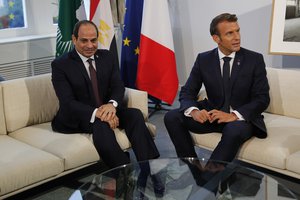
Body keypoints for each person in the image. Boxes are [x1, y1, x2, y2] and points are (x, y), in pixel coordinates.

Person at [51, 20, 159, 169]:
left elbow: (117, 85)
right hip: (78, 117)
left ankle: (151, 168)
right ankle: (124, 172)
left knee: (134, 115)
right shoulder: (60, 65)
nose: (90, 45)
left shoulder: (107, 57)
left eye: (94, 40)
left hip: (107, 109)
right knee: (101, 125)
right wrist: (99, 113)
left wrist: (112, 105)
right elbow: (67, 102)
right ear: (74, 39)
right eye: (84, 40)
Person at [164, 13, 270, 163]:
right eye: (230, 33)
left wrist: (233, 115)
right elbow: (188, 91)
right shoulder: (204, 59)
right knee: (172, 117)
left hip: (239, 119)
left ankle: (208, 179)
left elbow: (262, 99)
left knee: (233, 130)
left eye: (238, 31)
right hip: (212, 115)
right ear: (216, 38)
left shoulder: (254, 59)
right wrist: (193, 111)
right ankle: (193, 168)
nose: (237, 37)